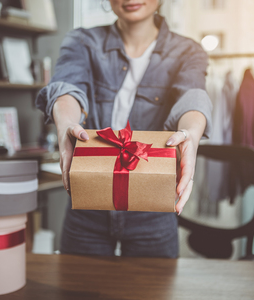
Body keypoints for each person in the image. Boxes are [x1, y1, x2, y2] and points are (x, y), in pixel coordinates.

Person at [36, 0, 212, 258]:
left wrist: (191, 134)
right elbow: (67, 86)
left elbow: (192, 96)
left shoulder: (188, 51)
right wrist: (67, 124)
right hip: (87, 201)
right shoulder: (82, 41)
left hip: (153, 206)